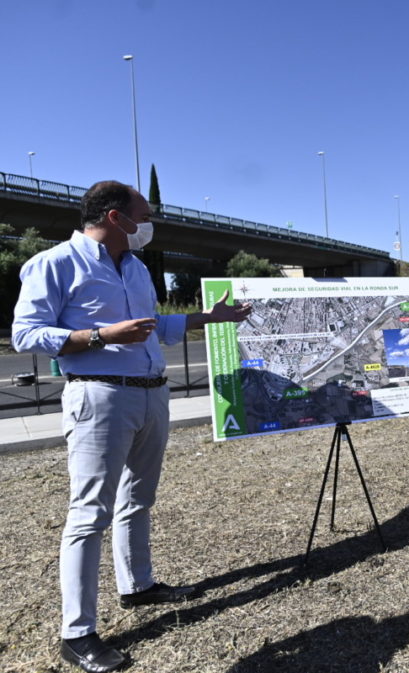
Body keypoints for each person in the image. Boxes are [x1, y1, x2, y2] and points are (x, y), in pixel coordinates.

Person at [12, 180, 252, 673]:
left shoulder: (137, 267)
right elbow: (24, 334)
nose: (150, 224)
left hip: (149, 392)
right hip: (99, 396)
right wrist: (98, 335)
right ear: (116, 217)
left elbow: (153, 327)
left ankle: (137, 585)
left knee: (138, 499)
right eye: (144, 214)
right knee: (88, 514)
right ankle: (77, 634)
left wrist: (210, 318)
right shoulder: (55, 263)